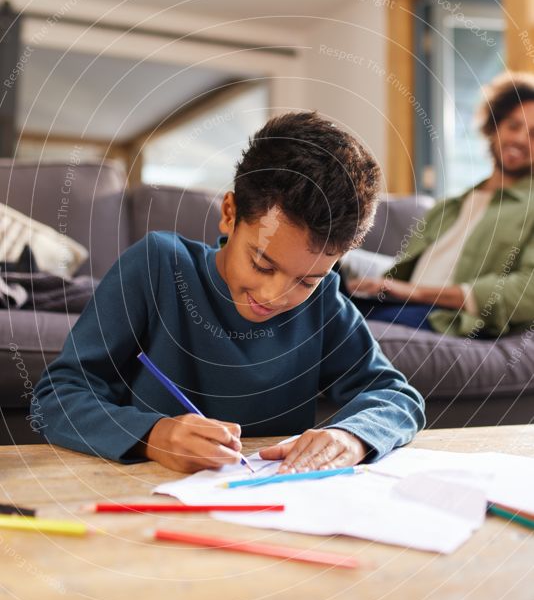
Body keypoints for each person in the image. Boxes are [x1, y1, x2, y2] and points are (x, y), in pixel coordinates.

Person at [33, 112, 424, 473]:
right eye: (262, 264)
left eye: (306, 280)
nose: (274, 295)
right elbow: (54, 398)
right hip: (156, 501)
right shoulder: (157, 267)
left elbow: (398, 397)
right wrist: (152, 436)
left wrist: (351, 437)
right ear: (230, 213)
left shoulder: (324, 304)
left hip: (272, 508)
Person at [346, 71, 534, 337]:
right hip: (400, 303)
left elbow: (529, 290)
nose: (520, 139)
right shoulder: (449, 207)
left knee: (337, 330)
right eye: (513, 126)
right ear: (494, 128)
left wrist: (419, 292)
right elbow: (400, 274)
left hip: (444, 317)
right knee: (320, 290)